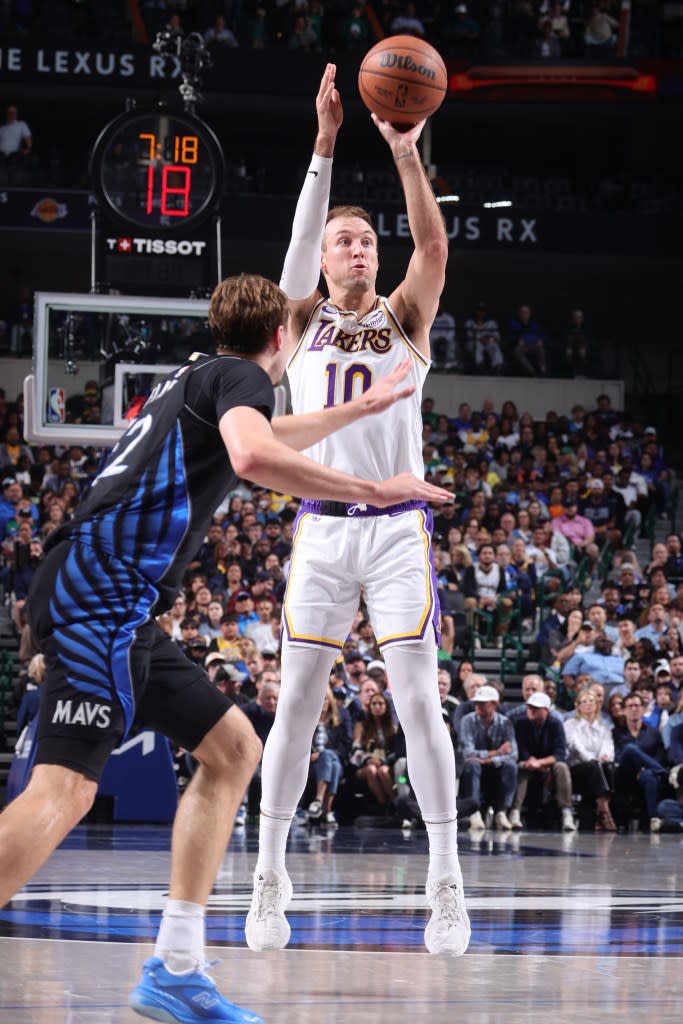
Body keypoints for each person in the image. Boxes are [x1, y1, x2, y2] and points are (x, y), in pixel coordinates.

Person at [0, 273, 445, 1024]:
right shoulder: (242, 378)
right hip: (99, 592)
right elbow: (252, 457)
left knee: (234, 748)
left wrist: (362, 407)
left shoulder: (203, 374)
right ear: (283, 339)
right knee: (65, 789)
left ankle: (175, 968)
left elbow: (261, 436)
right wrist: (371, 490)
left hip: (118, 603)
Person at [246, 64, 470, 959]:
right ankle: (267, 874)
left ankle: (446, 881)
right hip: (322, 534)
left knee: (421, 702)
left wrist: (408, 156)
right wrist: (326, 144)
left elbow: (434, 250)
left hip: (395, 537)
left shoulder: (404, 317)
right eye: (345, 240)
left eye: (364, 242)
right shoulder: (297, 319)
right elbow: (294, 258)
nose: (357, 249)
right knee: (296, 702)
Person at [509, 691, 576, 832]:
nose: (531, 711)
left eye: (536, 708)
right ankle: (515, 811)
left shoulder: (555, 724)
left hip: (548, 764)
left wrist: (540, 763)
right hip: (528, 763)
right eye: (529, 707)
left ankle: (566, 812)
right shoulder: (520, 723)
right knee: (520, 767)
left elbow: (560, 753)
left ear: (546, 710)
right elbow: (520, 749)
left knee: (562, 767)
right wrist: (531, 761)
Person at [459, 684, 518, 831]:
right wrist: (497, 752)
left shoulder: (505, 723)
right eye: (476, 702)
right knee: (472, 764)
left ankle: (501, 812)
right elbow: (467, 752)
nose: (477, 705)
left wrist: (491, 760)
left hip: (495, 766)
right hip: (475, 765)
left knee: (511, 766)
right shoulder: (467, 720)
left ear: (494, 704)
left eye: (482, 703)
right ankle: (474, 812)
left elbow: (513, 754)